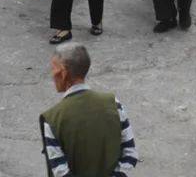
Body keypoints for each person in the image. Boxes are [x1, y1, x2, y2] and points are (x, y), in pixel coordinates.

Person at [41, 43, 138, 177]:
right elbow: (130, 153)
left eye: (53, 69)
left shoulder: (52, 119)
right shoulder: (114, 104)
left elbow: (60, 171)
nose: (52, 74)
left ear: (63, 73)